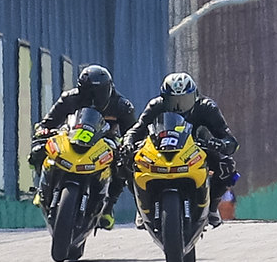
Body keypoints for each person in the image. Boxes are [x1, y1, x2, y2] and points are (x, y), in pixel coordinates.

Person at [29, 65, 138, 225]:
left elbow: (132, 132)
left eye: (98, 94)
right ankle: (42, 188)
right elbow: (48, 122)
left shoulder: (122, 105)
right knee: (39, 149)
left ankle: (108, 207)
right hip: (72, 139)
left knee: (123, 165)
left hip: (105, 143)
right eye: (87, 94)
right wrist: (43, 131)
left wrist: (127, 146)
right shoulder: (69, 98)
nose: (93, 99)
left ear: (109, 89)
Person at [130, 72, 239, 229]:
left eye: (184, 100)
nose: (179, 106)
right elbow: (137, 129)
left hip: (196, 148)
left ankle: (212, 207)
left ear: (194, 96)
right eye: (173, 101)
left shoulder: (206, 107)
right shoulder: (156, 105)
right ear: (164, 99)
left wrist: (221, 144)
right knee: (127, 162)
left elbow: (229, 138)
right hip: (160, 149)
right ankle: (141, 207)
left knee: (227, 166)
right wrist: (127, 144)